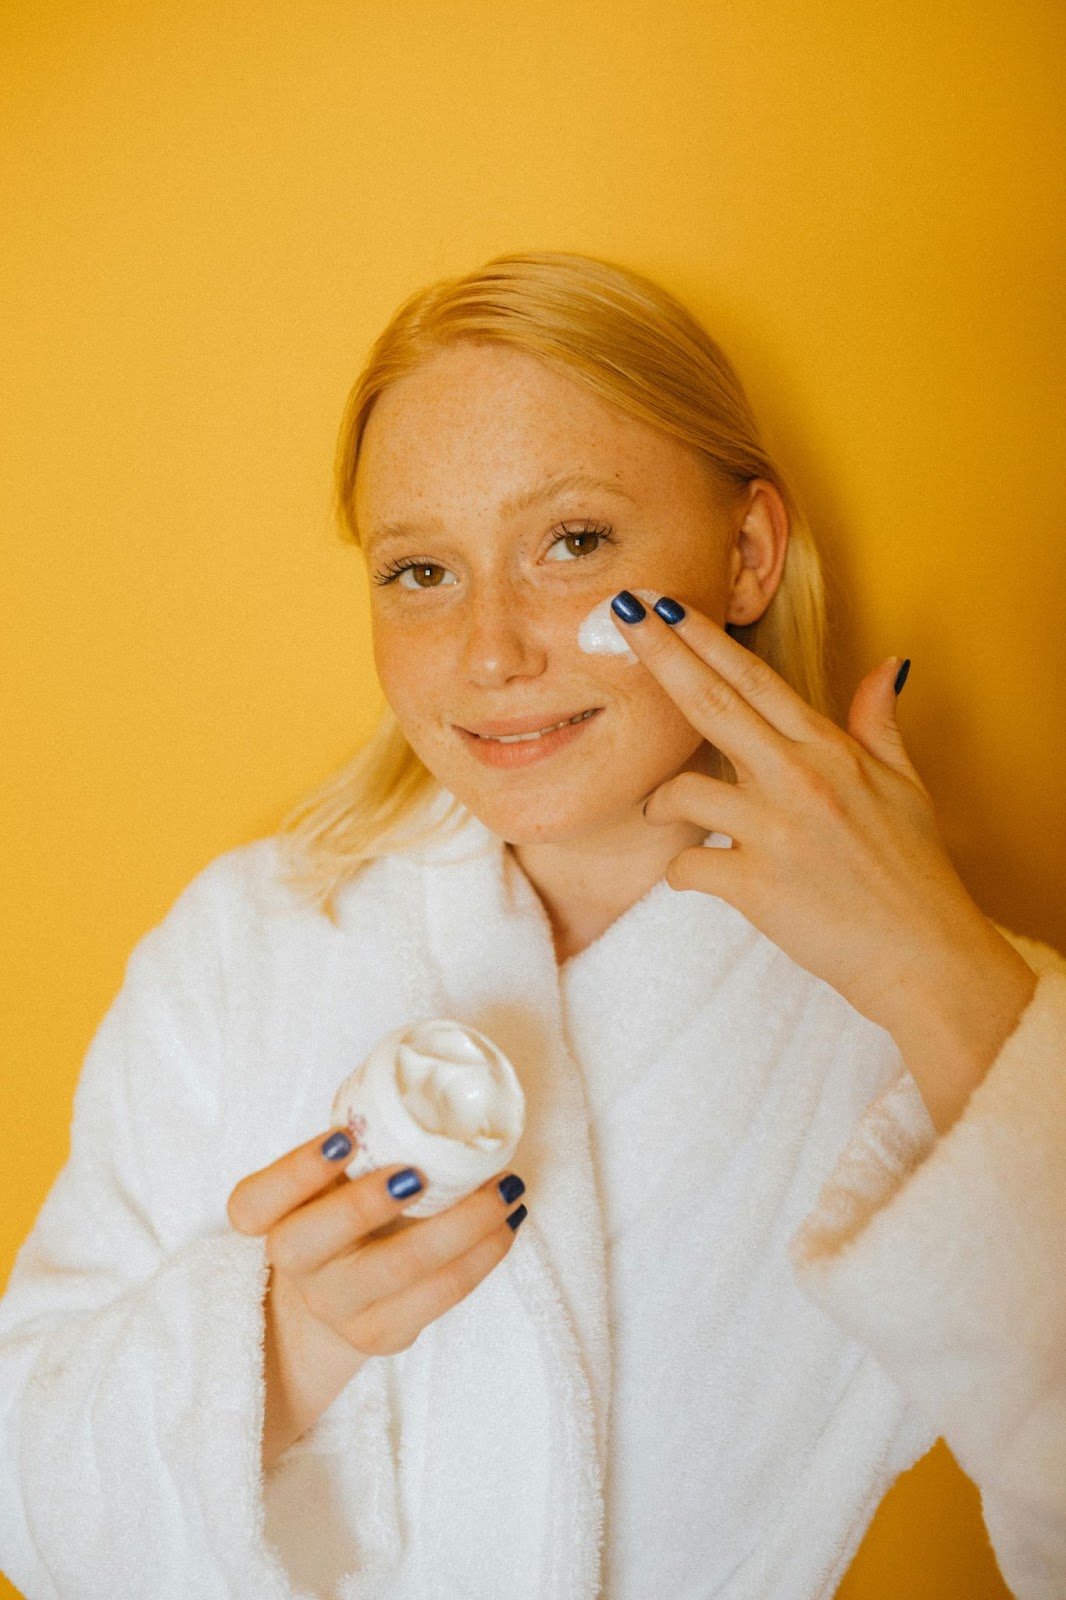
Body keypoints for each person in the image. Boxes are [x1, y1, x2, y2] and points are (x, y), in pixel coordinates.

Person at [0, 250, 1063, 1600]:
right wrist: (272, 1352)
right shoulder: (249, 941)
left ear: (744, 553)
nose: (489, 652)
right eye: (420, 571)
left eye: (571, 543)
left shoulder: (927, 1022)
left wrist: (944, 981)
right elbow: (22, 1497)